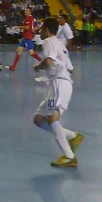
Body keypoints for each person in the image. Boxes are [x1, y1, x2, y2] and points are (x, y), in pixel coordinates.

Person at [33, 17, 83, 168]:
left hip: (59, 84)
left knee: (52, 119)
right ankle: (73, 137)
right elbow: (70, 68)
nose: (40, 31)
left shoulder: (48, 42)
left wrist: (38, 67)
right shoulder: (61, 45)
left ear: (47, 30)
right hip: (57, 84)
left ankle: (69, 157)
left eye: (41, 28)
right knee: (38, 119)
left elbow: (48, 62)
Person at [5, 7, 43, 72]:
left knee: (31, 52)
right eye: (25, 10)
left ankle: (42, 62)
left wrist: (18, 26)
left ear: (30, 12)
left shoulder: (29, 18)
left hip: (27, 37)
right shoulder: (32, 19)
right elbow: (38, 26)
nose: (25, 11)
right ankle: (13, 67)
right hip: (25, 37)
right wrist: (33, 29)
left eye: (26, 11)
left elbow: (27, 27)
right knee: (18, 51)